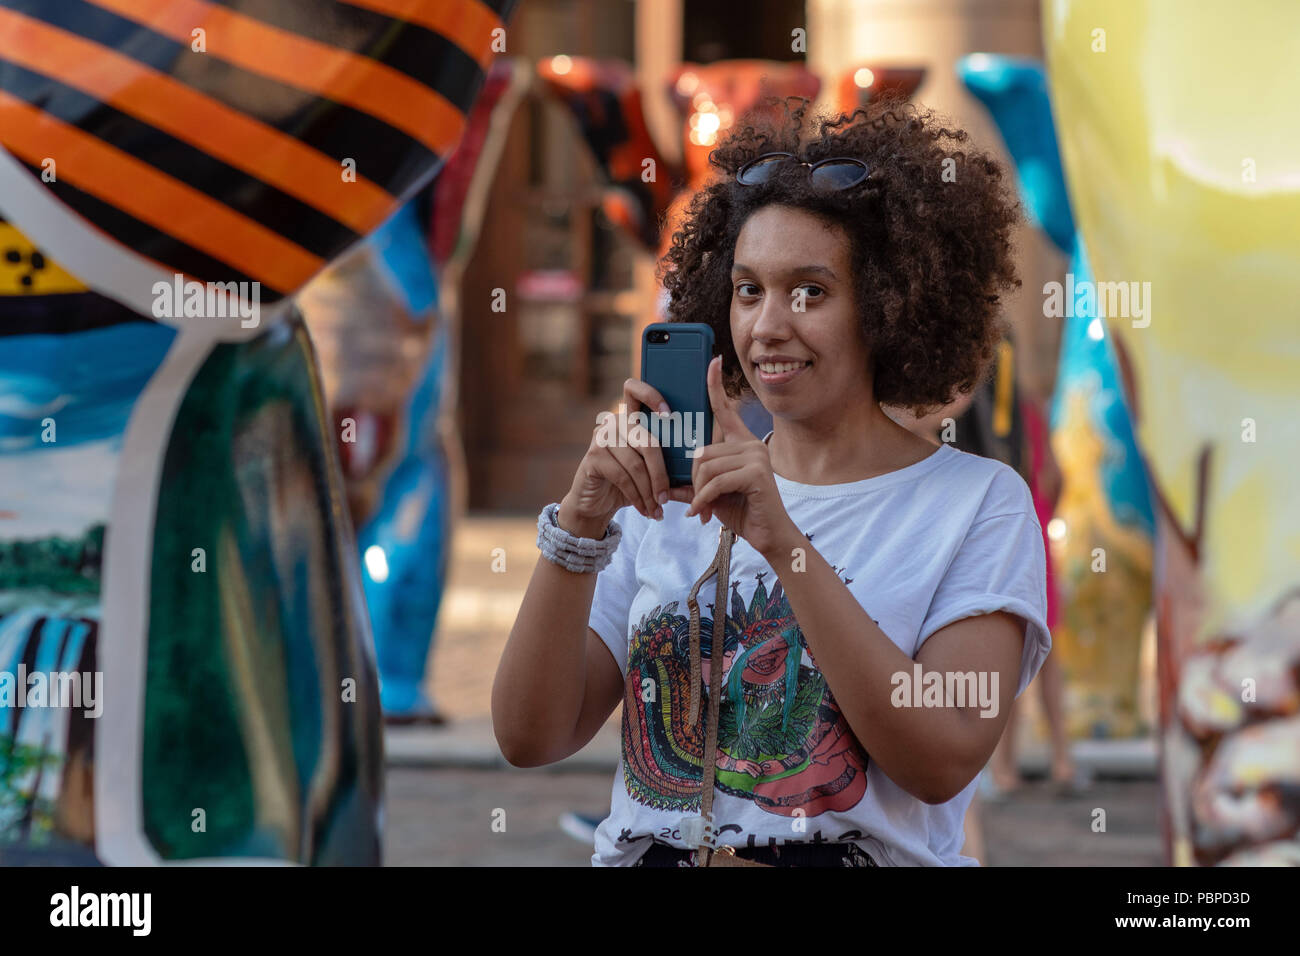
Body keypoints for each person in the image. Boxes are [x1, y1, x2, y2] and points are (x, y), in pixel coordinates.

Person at [492, 95, 1050, 866]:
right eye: (749, 289)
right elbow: (529, 736)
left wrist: (782, 541)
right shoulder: (666, 500)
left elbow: (943, 756)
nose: (766, 326)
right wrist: (578, 528)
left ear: (889, 307)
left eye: (810, 292)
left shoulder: (977, 503)